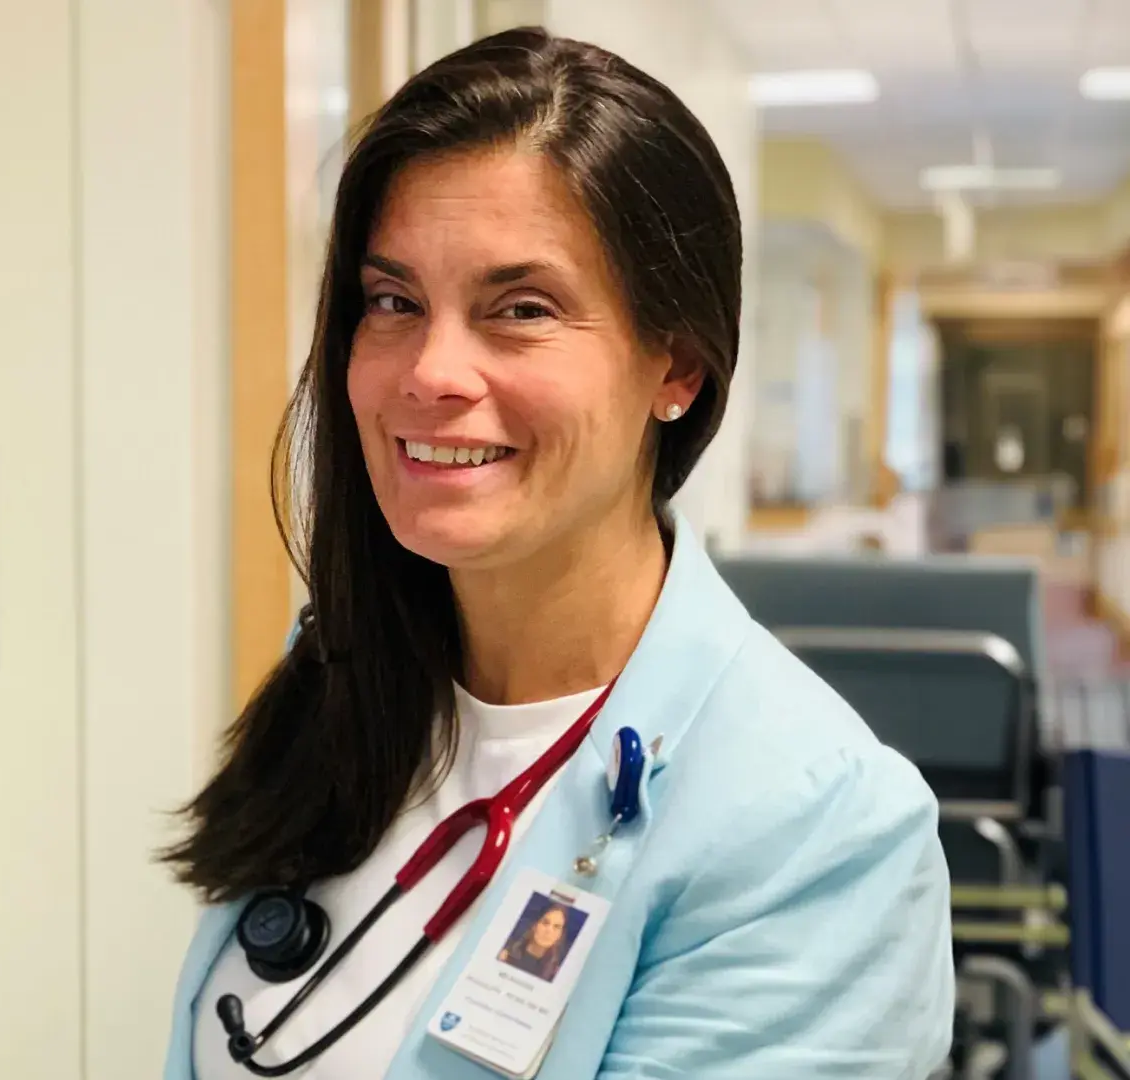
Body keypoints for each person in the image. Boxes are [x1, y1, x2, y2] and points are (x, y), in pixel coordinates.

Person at [158, 26, 954, 1080]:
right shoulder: (345, 672)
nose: (431, 371)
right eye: (393, 301)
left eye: (520, 310)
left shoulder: (818, 834)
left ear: (675, 366)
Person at [498, 902, 571, 983]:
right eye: (545, 923)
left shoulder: (555, 974)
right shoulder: (504, 951)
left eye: (556, 927)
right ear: (534, 925)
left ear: (560, 935)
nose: (549, 930)